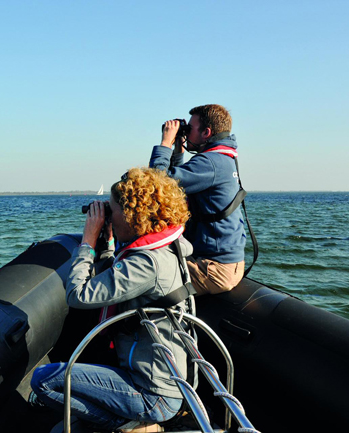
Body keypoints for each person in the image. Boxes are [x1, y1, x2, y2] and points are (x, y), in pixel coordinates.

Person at [30, 167, 195, 433]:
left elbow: (78, 294)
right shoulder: (164, 249)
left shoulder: (148, 263)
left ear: (132, 216)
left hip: (152, 393)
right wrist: (108, 244)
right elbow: (116, 283)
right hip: (161, 379)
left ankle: (133, 425)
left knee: (43, 380)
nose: (110, 215)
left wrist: (87, 241)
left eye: (113, 210)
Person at [149, 104, 246, 295]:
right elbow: (181, 184)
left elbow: (156, 184)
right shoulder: (223, 158)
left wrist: (165, 143)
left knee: (143, 277)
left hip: (213, 269)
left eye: (189, 129)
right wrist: (178, 151)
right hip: (227, 262)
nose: (185, 134)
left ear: (206, 133)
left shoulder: (210, 162)